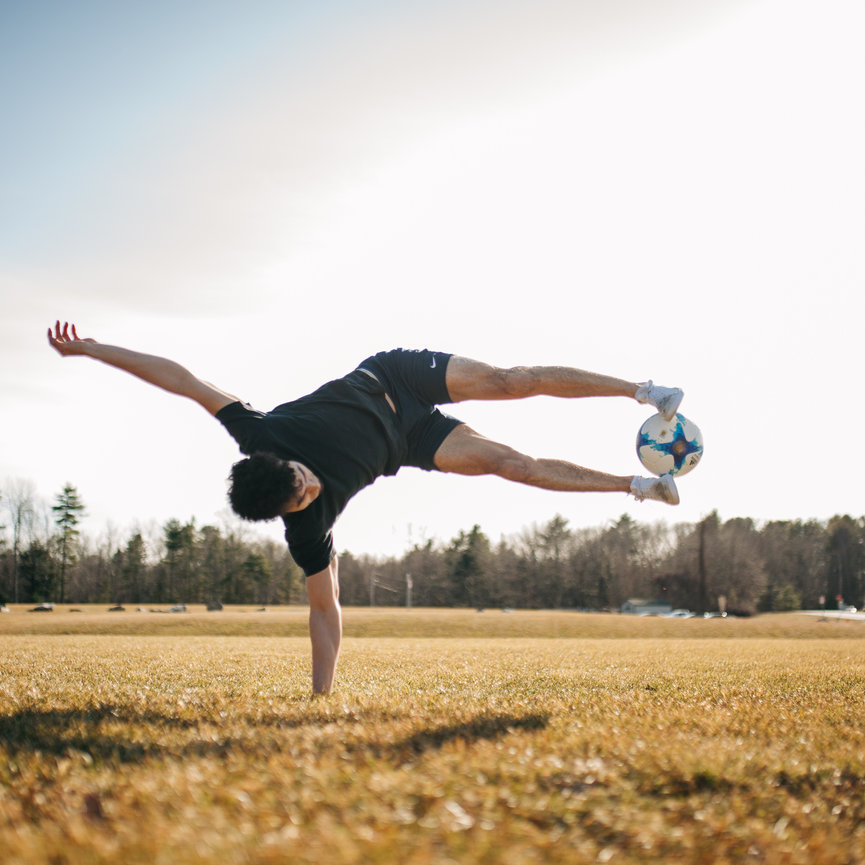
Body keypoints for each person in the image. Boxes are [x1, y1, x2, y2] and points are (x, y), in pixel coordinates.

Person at [47, 321, 684, 693]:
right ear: (288, 509)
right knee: (510, 466)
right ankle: (639, 486)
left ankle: (642, 390)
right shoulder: (307, 529)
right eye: (303, 494)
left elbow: (182, 380)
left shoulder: (257, 434)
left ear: (279, 463)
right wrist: (320, 700)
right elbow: (325, 612)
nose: (312, 486)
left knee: (509, 382)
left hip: (393, 379)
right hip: (410, 441)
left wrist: (93, 349)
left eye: (302, 476)